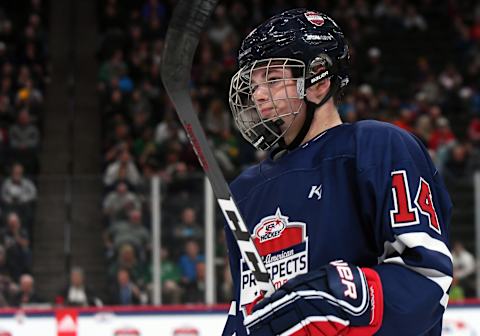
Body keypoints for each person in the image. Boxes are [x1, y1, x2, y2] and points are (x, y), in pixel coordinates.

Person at [222, 9, 452, 336]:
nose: (258, 95)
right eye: (254, 83)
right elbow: (245, 311)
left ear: (319, 80)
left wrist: (335, 299)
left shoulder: (377, 148)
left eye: (272, 80)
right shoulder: (244, 191)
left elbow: (426, 279)